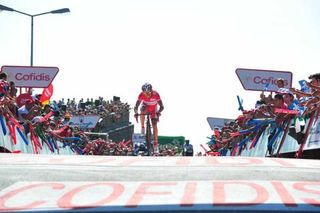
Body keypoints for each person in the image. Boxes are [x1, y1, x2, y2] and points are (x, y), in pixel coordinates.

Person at [134, 83, 164, 154]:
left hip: (154, 109)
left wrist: (158, 112)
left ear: (151, 91)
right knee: (142, 109)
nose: (147, 94)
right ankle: (142, 127)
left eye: (148, 93)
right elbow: (136, 106)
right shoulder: (141, 95)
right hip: (146, 107)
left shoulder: (156, 94)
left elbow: (162, 106)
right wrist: (136, 112)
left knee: (154, 124)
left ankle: (156, 144)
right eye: (145, 93)